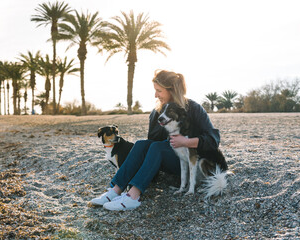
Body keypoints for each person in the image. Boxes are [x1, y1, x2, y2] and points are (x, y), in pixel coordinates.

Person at [90, 70, 221, 211]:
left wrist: (186, 141)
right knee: (142, 144)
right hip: (169, 160)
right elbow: (150, 146)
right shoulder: (156, 113)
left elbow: (213, 140)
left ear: (172, 90)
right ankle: (114, 191)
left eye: (159, 91)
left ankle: (133, 196)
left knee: (157, 147)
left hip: (194, 164)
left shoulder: (194, 109)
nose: (155, 95)